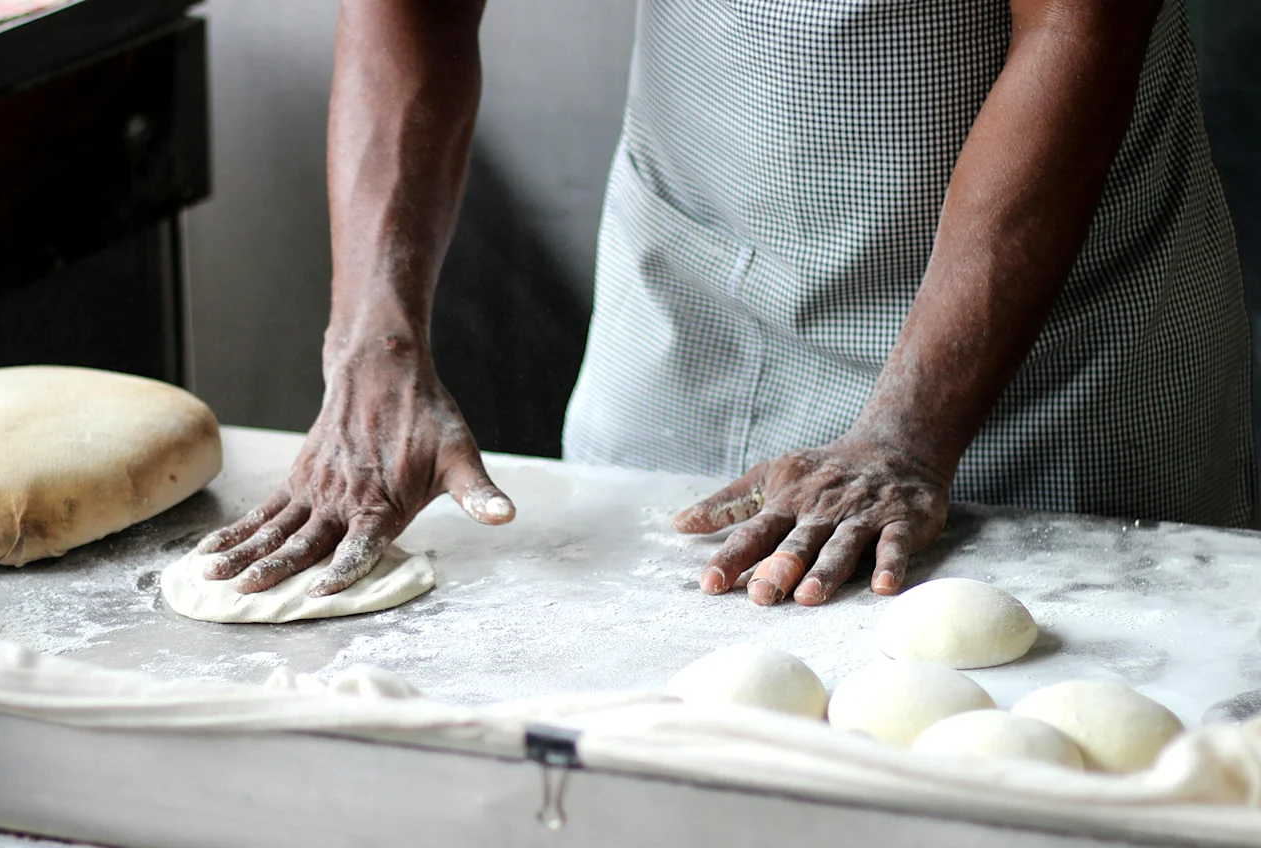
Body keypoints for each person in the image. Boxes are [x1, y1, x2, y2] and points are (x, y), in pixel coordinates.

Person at [196, 0, 1253, 607]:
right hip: (695, 295)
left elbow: (1082, 24)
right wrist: (371, 343)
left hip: (1053, 352)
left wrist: (911, 431)